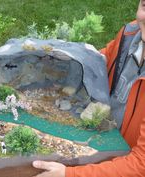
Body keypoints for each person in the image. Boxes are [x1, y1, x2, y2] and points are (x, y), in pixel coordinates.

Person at [32, 0, 145, 176]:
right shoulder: (130, 34)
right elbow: (101, 59)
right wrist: (70, 60)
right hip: (105, 135)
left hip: (123, 162)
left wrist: (69, 174)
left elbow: (140, 165)